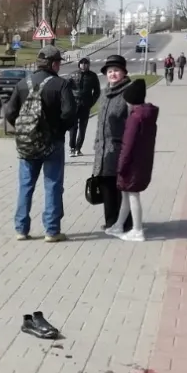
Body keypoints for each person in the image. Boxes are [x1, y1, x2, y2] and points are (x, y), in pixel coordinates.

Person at [3, 45, 76, 243]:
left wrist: (24, 128)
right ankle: (51, 231)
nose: (60, 66)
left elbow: (9, 112)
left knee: (25, 186)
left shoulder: (21, 84)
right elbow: (69, 113)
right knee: (52, 185)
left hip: (27, 144)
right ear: (53, 63)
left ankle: (21, 230)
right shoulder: (61, 85)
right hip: (53, 143)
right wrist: (59, 130)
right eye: (59, 63)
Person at [106, 79, 158, 243]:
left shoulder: (135, 118)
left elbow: (127, 145)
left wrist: (121, 166)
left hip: (132, 165)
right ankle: (119, 225)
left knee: (133, 196)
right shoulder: (146, 116)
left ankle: (137, 230)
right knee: (127, 195)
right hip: (141, 162)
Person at [92, 55, 135, 232]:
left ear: (124, 73)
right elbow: (100, 120)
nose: (113, 74)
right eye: (110, 71)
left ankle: (126, 222)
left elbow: (134, 122)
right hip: (103, 147)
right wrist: (96, 143)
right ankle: (110, 221)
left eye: (116, 70)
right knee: (106, 185)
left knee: (121, 187)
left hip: (121, 147)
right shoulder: (104, 93)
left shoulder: (129, 93)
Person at [67, 57, 101, 156]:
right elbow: (66, 89)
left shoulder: (93, 76)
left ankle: (78, 148)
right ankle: (72, 148)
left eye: (86, 63)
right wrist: (69, 102)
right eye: (82, 63)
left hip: (86, 104)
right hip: (74, 104)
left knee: (83, 128)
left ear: (89, 65)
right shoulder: (72, 75)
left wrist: (91, 102)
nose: (84, 65)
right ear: (79, 64)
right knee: (73, 127)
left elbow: (97, 91)